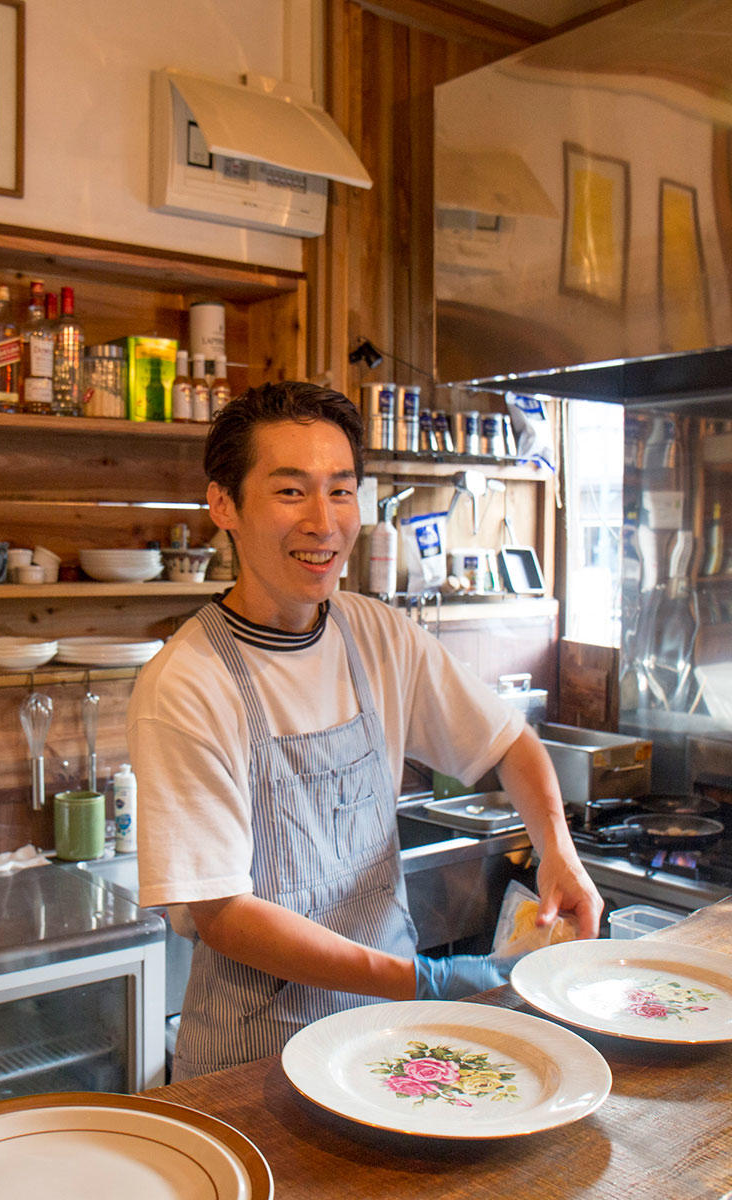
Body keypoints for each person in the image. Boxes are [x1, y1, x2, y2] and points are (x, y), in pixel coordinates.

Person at [128, 380, 601, 1080]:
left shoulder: (376, 633)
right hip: (257, 1064)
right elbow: (224, 913)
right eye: (291, 492)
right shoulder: (187, 682)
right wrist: (427, 982)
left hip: (392, 1042)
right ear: (223, 504)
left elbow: (509, 742)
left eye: (342, 490)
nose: (324, 521)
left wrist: (558, 852)